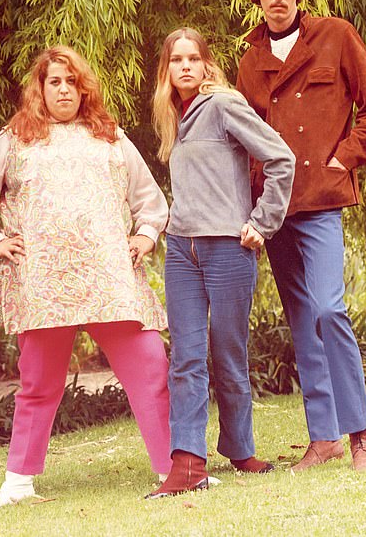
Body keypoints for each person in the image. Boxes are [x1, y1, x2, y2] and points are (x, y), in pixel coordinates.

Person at [0, 45, 172, 507]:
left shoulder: (111, 138)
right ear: (39, 88)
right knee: (38, 382)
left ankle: (173, 468)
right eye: (54, 81)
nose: (63, 89)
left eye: (72, 82)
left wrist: (144, 234)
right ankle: (18, 483)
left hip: (110, 281)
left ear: (84, 89)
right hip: (43, 284)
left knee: (151, 369)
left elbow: (149, 198)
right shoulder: (14, 140)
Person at [236, 0, 366, 472]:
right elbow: (242, 139)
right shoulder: (249, 61)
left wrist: (341, 161)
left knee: (329, 308)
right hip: (275, 209)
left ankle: (362, 435)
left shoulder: (336, 36)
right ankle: (322, 436)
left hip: (323, 199)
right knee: (302, 320)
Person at [146, 28, 295, 499]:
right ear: (167, 70)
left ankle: (240, 450)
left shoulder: (225, 105)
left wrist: (262, 221)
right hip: (182, 251)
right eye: (176, 60)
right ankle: (187, 462)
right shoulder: (175, 117)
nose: (185, 66)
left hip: (229, 249)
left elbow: (280, 157)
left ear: (207, 65)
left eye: (193, 58)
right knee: (186, 358)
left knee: (228, 352)